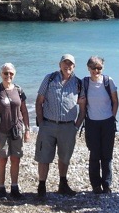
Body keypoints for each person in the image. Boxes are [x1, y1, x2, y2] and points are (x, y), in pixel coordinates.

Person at [35, 54, 86, 197]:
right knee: (44, 157)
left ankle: (63, 184)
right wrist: (41, 123)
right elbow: (39, 101)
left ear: (74, 67)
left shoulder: (78, 83)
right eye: (65, 63)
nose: (67, 66)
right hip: (48, 125)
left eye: (70, 64)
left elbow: (83, 108)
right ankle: (41, 186)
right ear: (60, 65)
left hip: (68, 127)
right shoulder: (50, 78)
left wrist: (76, 126)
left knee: (65, 157)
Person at [0, 63, 31, 200]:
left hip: (16, 131)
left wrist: (27, 130)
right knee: (2, 159)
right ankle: (1, 188)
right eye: (5, 73)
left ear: (14, 74)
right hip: (1, 131)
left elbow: (24, 111)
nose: (8, 75)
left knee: (16, 159)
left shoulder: (19, 90)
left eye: (11, 73)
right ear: (1, 74)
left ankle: (14, 188)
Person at [82, 56, 119, 194]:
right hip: (91, 123)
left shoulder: (108, 81)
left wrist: (112, 117)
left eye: (99, 68)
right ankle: (96, 185)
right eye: (93, 67)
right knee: (94, 155)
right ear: (88, 68)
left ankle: (107, 184)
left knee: (107, 155)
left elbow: (115, 101)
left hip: (108, 122)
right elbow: (81, 102)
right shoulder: (84, 82)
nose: (96, 70)